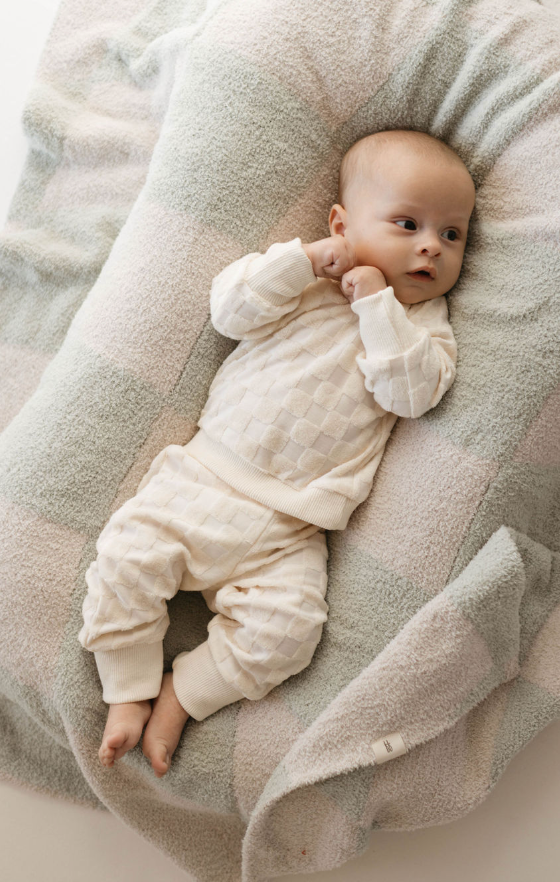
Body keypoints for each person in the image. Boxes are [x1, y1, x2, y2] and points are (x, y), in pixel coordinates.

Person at [78, 128, 476, 779]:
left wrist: (378, 303)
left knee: (290, 632)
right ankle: (126, 689)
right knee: (126, 557)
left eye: (453, 235)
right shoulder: (302, 281)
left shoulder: (422, 328)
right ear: (343, 224)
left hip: (291, 529)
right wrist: (307, 261)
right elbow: (229, 309)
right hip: (204, 480)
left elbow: (410, 394)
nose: (432, 245)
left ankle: (183, 693)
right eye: (408, 223)